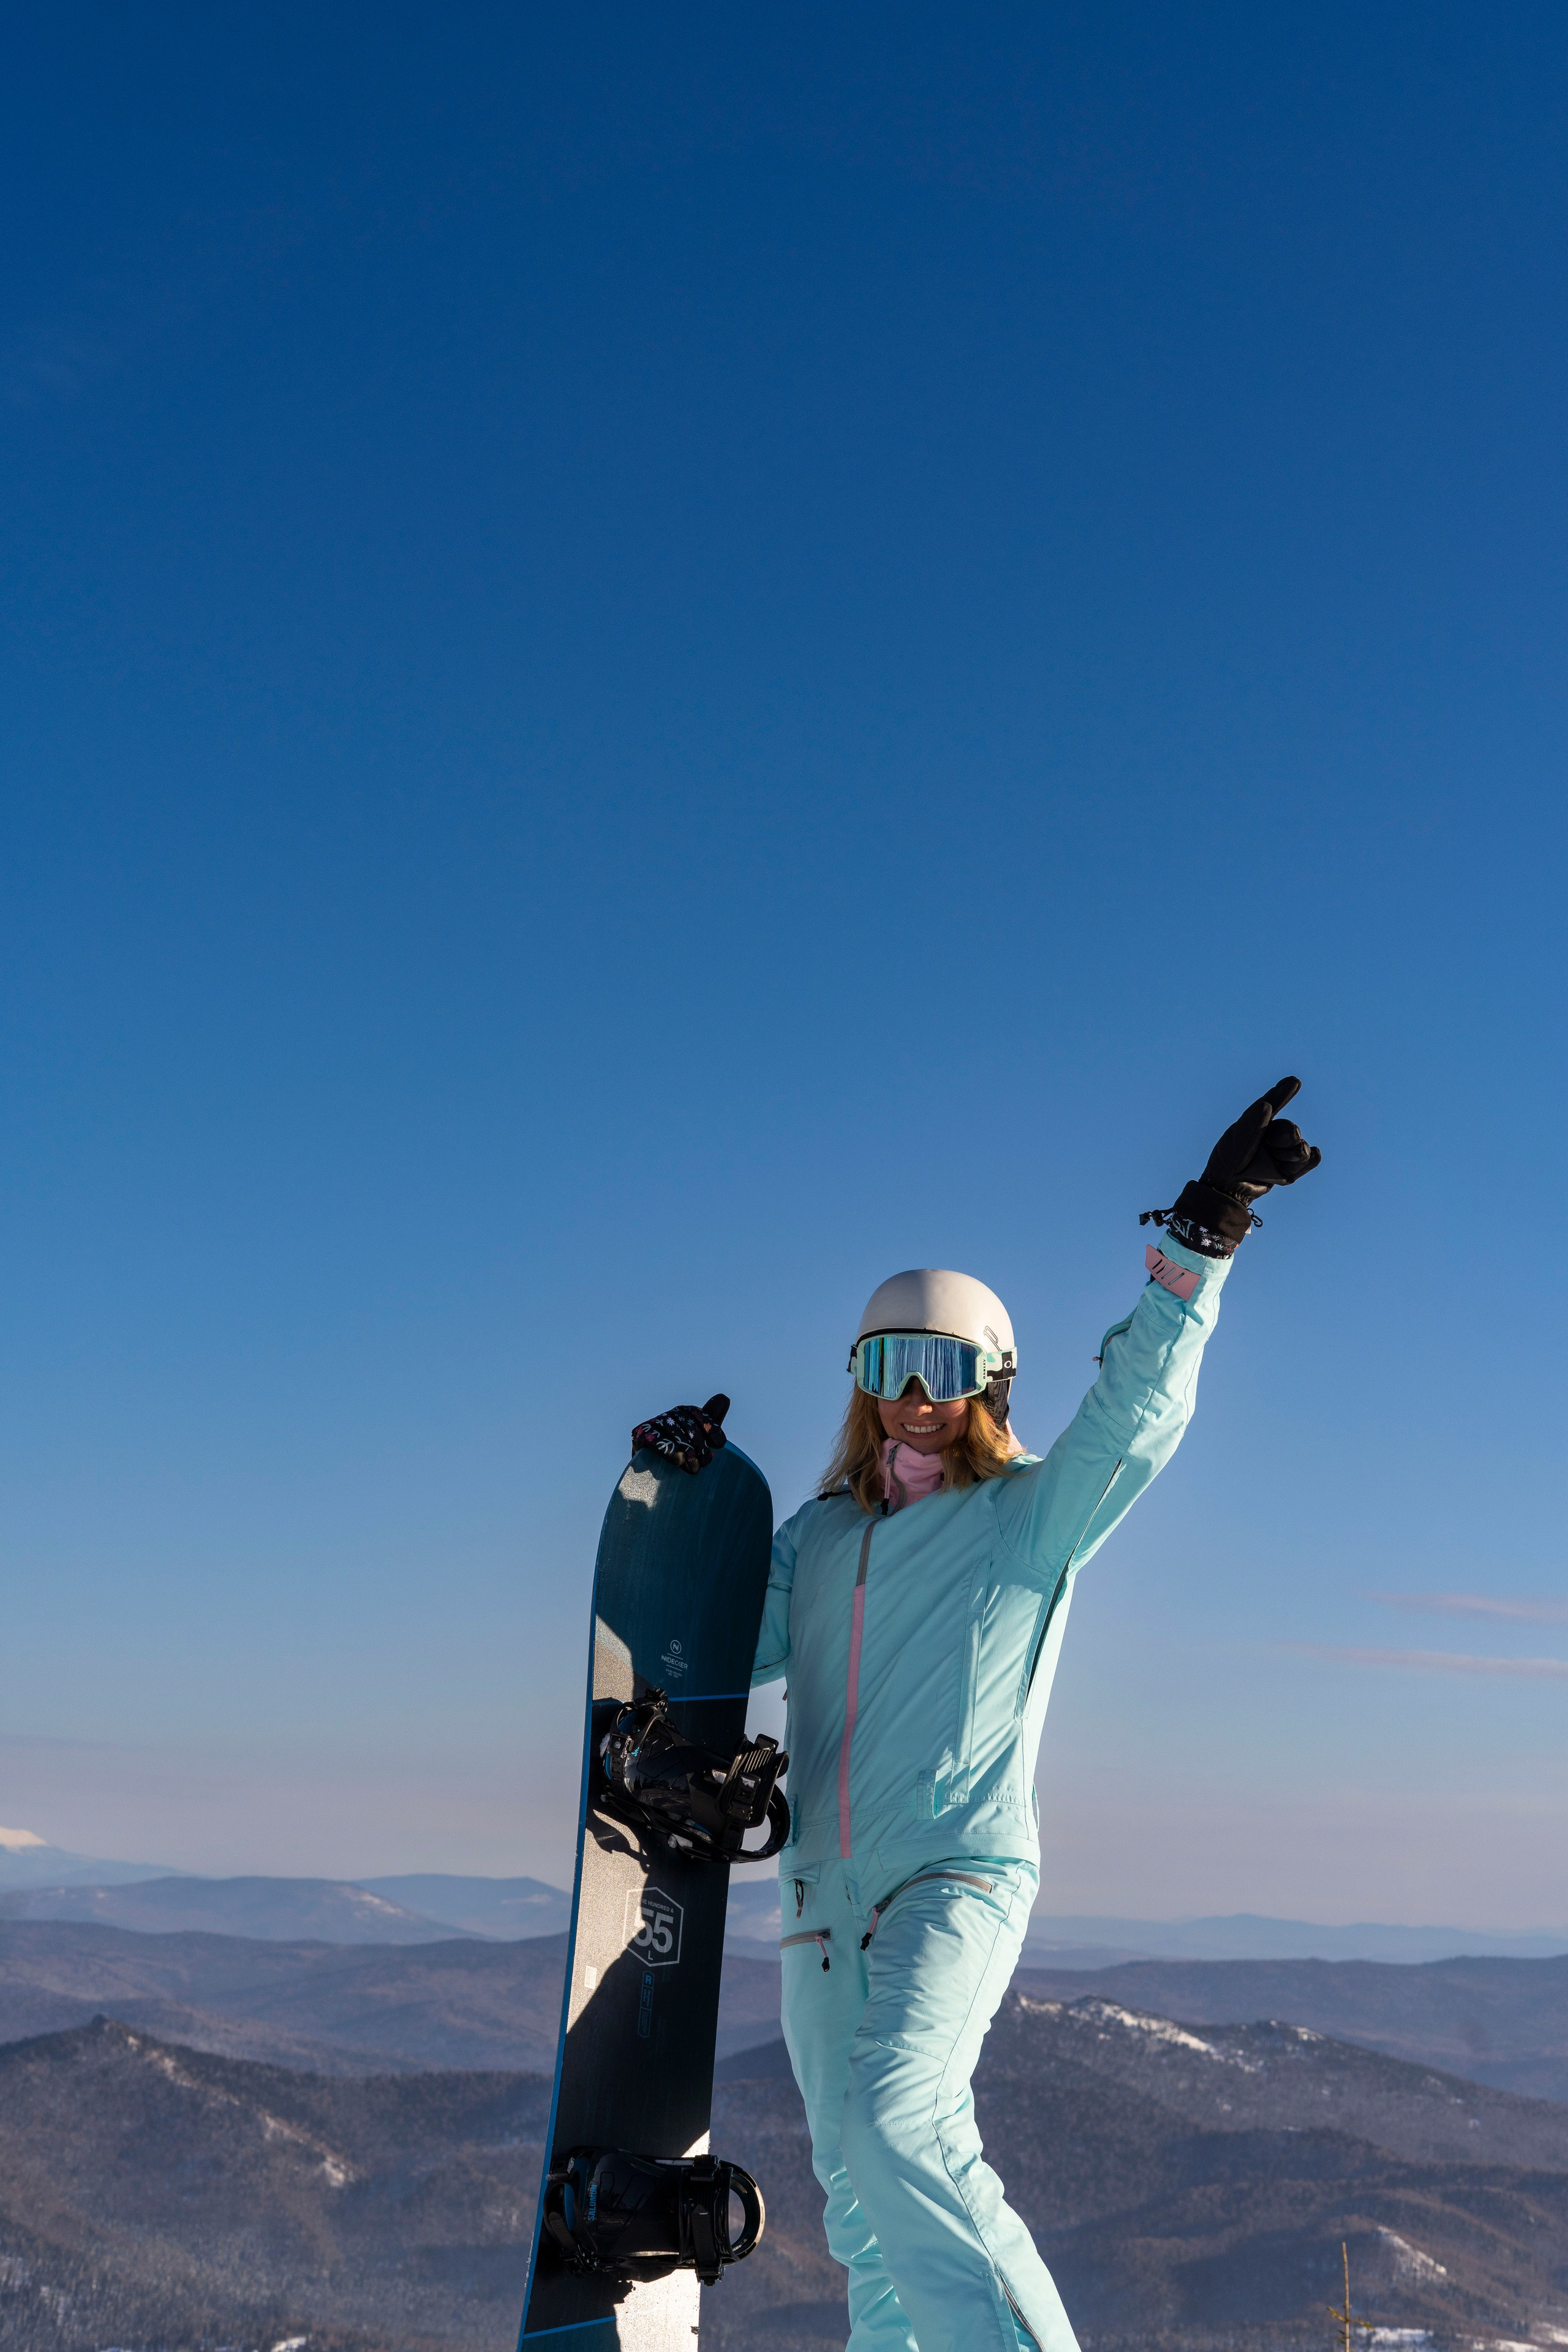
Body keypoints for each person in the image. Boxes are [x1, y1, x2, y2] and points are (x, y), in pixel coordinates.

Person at [632, 1077, 1321, 2352]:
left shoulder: (1026, 1522)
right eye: (888, 1365)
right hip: (821, 1904)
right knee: (861, 2196)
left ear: (989, 1380)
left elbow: (1137, 1417)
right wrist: (678, 1506)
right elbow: (732, 1636)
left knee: (907, 2128)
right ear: (860, 1379)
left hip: (955, 1873)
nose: (913, 1394)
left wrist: (1199, 1246)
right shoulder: (823, 1539)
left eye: (941, 1368)